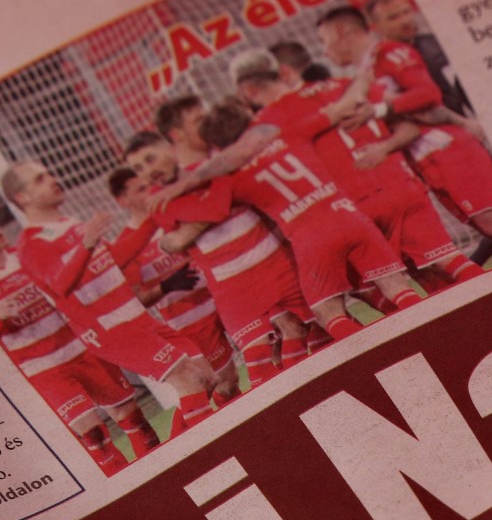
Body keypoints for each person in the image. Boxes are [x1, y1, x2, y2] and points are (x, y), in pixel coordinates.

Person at [2, 159, 225, 433]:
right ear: (23, 198)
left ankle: (181, 444)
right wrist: (87, 244)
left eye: (48, 174)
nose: (52, 180)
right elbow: (60, 286)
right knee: (189, 378)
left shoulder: (68, 223)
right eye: (39, 179)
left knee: (207, 376)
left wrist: (153, 214)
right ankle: (211, 443)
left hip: (136, 318)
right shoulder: (31, 243)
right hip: (111, 331)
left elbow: (114, 258)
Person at [230, 49, 483, 291]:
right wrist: (461, 122)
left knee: (405, 284)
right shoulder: (343, 85)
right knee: (448, 261)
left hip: (353, 208)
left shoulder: (269, 123)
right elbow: (414, 117)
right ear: (281, 72)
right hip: (400, 185)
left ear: (248, 90)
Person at [180, 97, 427, 340]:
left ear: (217, 144)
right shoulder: (290, 133)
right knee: (397, 286)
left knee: (326, 312)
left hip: (310, 236)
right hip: (348, 215)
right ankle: (431, 335)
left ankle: (371, 353)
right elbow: (335, 111)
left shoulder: (233, 179)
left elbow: (208, 213)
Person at [317, 4, 492, 264]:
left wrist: (380, 109)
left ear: (340, 32)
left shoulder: (390, 53)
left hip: (447, 149)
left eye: (324, 40)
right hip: (428, 158)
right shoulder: (366, 72)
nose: (324, 51)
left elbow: (428, 95)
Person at [0, 198, 152, 473]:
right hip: (45, 369)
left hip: (83, 348)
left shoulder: (26, 256)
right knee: (94, 435)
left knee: (132, 418)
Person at [125, 130, 316, 386]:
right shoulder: (160, 202)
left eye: (150, 159)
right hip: (233, 289)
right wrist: (223, 181)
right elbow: (213, 211)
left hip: (276, 266)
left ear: (171, 149)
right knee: (258, 363)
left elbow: (258, 143)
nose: (149, 171)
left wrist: (198, 185)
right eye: (139, 168)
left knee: (309, 331)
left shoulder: (207, 168)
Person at [105, 165, 238, 388]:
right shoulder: (127, 245)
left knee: (270, 342)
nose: (149, 191)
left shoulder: (172, 216)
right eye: (140, 190)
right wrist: (166, 286)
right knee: (226, 382)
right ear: (123, 201)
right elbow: (137, 300)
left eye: (149, 186)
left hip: (223, 297)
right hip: (191, 320)